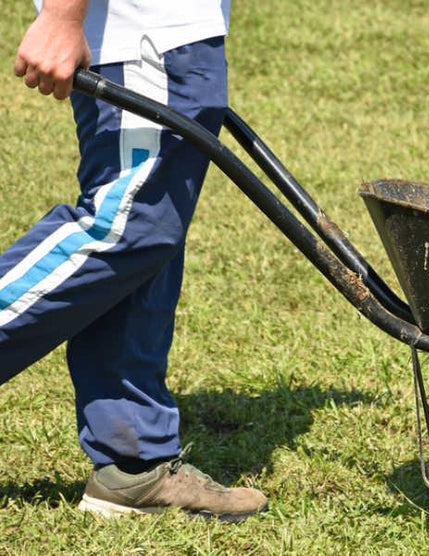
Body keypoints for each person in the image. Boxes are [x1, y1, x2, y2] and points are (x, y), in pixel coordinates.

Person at [4, 0, 268, 523]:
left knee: (150, 242)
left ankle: (133, 464)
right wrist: (62, 14)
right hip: (145, 33)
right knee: (125, 226)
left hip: (175, 33)